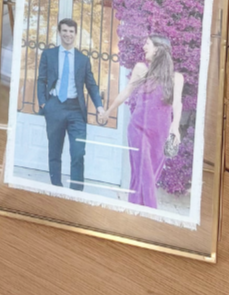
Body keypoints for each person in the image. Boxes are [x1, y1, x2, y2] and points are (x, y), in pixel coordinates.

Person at [102, 34, 184, 208]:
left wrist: (175, 128)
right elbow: (126, 92)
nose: (144, 47)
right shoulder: (141, 69)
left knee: (147, 178)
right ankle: (151, 215)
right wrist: (109, 111)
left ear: (158, 50)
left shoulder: (177, 78)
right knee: (144, 175)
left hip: (160, 135)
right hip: (138, 130)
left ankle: (135, 213)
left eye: (147, 44)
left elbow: (177, 104)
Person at [36, 19, 107, 191]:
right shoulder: (49, 54)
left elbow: (91, 85)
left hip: (76, 110)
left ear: (76, 34)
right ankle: (56, 188)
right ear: (59, 33)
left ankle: (76, 192)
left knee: (78, 152)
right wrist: (44, 104)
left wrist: (99, 106)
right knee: (55, 151)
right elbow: (41, 80)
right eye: (65, 31)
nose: (68, 34)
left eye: (71, 31)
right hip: (55, 107)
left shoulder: (82, 59)